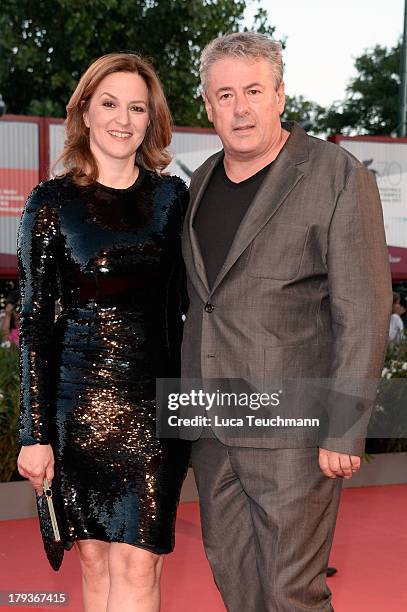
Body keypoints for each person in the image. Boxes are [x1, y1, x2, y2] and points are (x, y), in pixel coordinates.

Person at [181, 33, 392, 611]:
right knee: (237, 585)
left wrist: (345, 426)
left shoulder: (336, 175)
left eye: (253, 91)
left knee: (291, 592)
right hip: (211, 427)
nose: (240, 108)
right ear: (207, 106)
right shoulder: (198, 183)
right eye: (224, 95)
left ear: (279, 95)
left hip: (295, 430)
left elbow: (365, 308)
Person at [17, 52, 190, 612]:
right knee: (93, 561)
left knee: (140, 563)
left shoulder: (173, 199)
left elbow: (193, 306)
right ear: (85, 112)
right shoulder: (50, 204)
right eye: (110, 103)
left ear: (151, 119)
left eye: (137, 107)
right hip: (77, 412)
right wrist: (33, 432)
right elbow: (37, 326)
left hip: (156, 411)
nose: (123, 118)